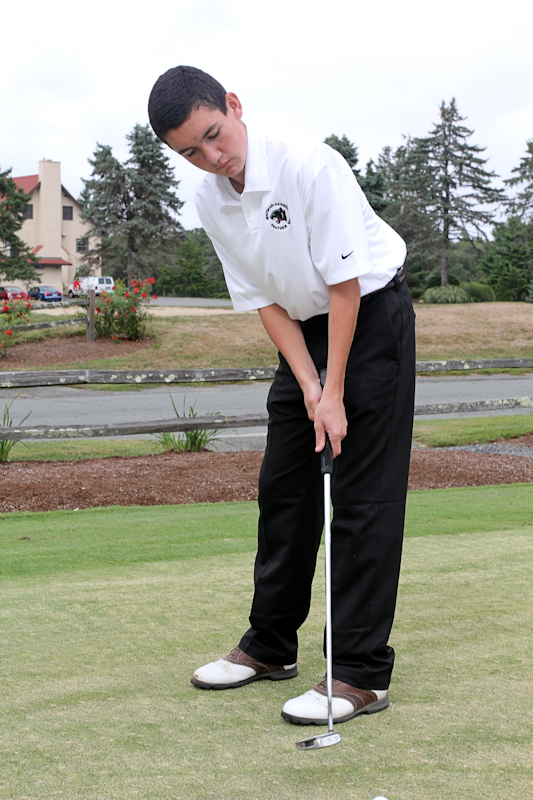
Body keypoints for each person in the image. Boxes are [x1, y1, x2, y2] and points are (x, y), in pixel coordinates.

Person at [148, 66, 415, 726]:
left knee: (361, 493)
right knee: (285, 487)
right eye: (190, 152)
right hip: (298, 330)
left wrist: (337, 392)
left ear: (234, 105)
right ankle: (269, 647)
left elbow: (346, 287)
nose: (212, 157)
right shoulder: (211, 197)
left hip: (369, 315)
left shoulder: (308, 166)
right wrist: (306, 381)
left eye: (214, 135)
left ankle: (358, 673)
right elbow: (261, 297)